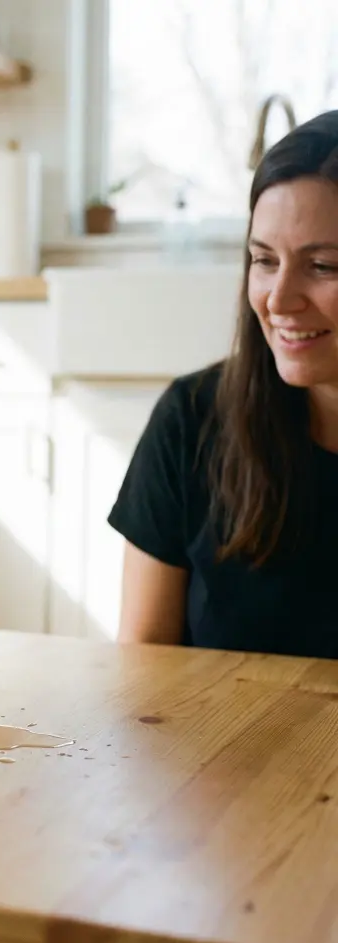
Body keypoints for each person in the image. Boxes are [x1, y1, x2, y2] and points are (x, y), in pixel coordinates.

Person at [109, 109, 338, 657]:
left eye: (324, 266)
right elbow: (143, 657)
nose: (279, 300)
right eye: (263, 260)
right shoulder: (190, 417)